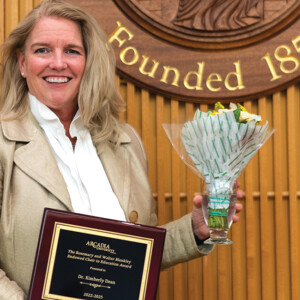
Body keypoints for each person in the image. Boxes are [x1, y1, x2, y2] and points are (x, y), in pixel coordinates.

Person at [0, 0, 243, 298]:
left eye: (72, 51)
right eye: (42, 50)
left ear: (88, 62)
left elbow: (126, 260)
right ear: (22, 63)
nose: (58, 63)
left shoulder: (124, 141)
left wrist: (195, 229)